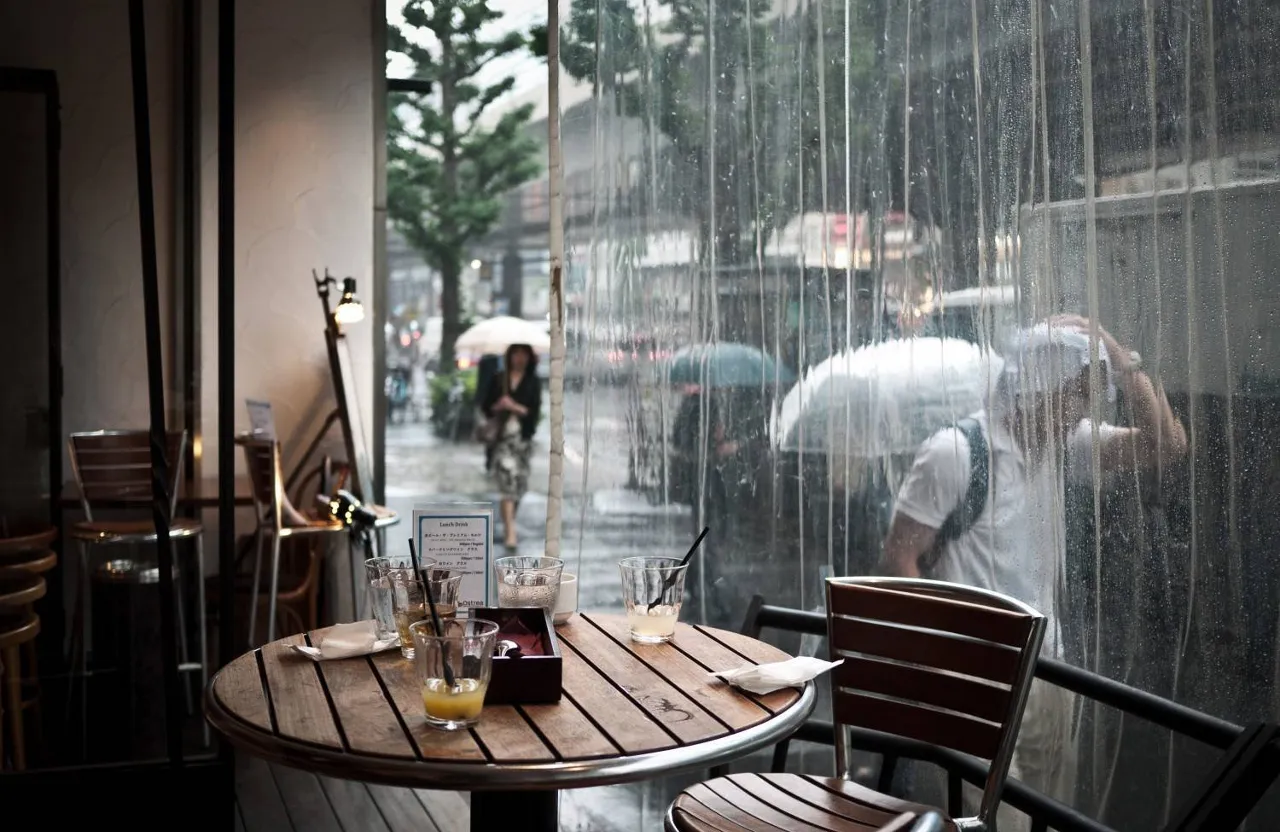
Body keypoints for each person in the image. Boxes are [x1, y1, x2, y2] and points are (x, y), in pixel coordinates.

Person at [881, 316, 1188, 828]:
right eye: (1076, 395)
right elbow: (898, 560)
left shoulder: (1066, 444)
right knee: (991, 821)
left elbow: (1166, 446)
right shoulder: (955, 453)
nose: (1084, 411)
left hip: (1046, 665)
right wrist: (939, 665)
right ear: (1036, 391)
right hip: (973, 676)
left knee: (1046, 811)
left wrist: (1119, 358)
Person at [480, 343, 541, 549]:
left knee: (519, 486)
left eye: (524, 354)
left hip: (522, 442)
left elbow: (534, 412)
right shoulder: (500, 379)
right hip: (502, 441)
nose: (520, 359)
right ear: (510, 356)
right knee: (507, 483)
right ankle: (510, 531)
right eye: (516, 354)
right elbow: (486, 406)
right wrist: (499, 405)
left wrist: (514, 406)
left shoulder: (533, 381)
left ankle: (509, 520)